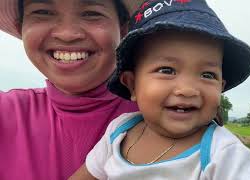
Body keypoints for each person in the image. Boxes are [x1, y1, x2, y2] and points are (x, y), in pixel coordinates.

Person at [69, 0, 250, 179]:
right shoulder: (118, 133)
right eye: (167, 70)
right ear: (132, 84)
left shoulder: (223, 154)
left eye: (207, 75)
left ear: (221, 87)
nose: (187, 90)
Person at [0, 0, 144, 179]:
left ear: (123, 29)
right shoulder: (5, 112)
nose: (67, 34)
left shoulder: (174, 113)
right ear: (20, 27)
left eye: (92, 13)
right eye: (42, 12)